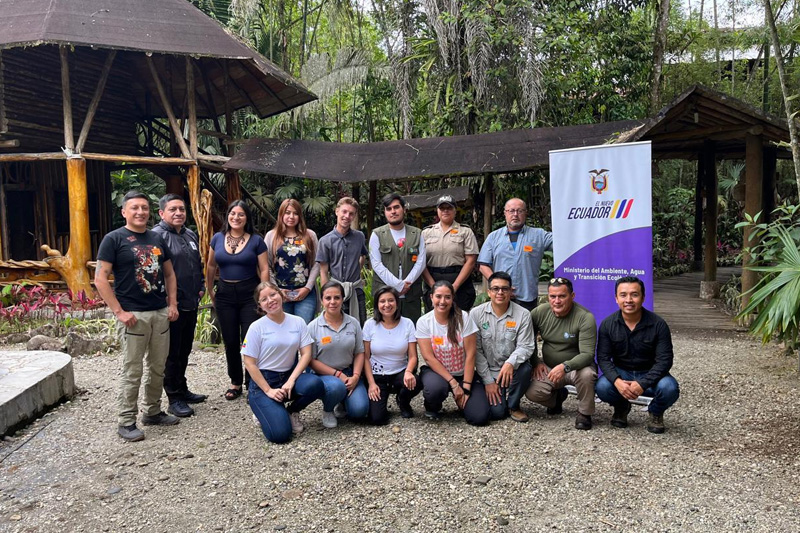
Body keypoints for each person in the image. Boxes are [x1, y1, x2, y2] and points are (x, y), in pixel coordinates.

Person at [95, 191, 180, 442]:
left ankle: (153, 411)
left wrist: (172, 304)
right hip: (133, 315)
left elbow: (169, 274)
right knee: (132, 369)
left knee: (158, 366)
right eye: (134, 208)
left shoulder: (157, 238)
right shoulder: (113, 239)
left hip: (159, 312)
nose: (140, 212)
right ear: (124, 212)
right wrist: (119, 312)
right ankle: (126, 420)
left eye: (144, 207)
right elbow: (100, 279)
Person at [242, 281, 325, 443]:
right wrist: (268, 390)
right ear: (260, 305)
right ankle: (265, 408)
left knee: (315, 384)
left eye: (273, 295)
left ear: (281, 295)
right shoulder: (256, 327)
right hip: (263, 383)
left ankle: (291, 411)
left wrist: (291, 380)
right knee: (280, 435)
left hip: (288, 376)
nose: (270, 300)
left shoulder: (297, 322)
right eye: (264, 299)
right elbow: (249, 363)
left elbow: (306, 353)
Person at [595, 276, 680, 434]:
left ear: (643, 298)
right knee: (602, 387)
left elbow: (665, 361)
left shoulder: (658, 324)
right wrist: (617, 381)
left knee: (669, 388)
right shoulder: (608, 324)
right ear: (616, 298)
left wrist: (643, 383)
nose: (629, 300)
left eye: (634, 294)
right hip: (623, 372)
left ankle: (655, 411)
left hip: (650, 373)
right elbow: (603, 359)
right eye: (623, 295)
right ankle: (621, 407)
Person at [151, 194, 208, 418]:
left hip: (190, 302)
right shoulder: (157, 237)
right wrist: (167, 300)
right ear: (161, 213)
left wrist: (201, 286)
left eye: (182, 209)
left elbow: (197, 263)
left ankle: (182, 389)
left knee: (184, 349)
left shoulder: (189, 234)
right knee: (171, 352)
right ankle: (173, 397)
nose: (178, 213)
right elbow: (155, 272)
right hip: (171, 305)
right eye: (173, 209)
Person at [206, 200, 269, 401]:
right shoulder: (217, 238)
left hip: (249, 292)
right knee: (230, 340)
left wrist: (264, 295)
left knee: (249, 340)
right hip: (224, 293)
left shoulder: (257, 241)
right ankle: (235, 381)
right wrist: (209, 290)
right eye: (233, 214)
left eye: (241, 214)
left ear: (246, 218)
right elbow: (210, 266)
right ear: (228, 216)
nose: (236, 218)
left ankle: (253, 382)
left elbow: (265, 269)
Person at [525, 277, 597, 430]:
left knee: (587, 375)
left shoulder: (585, 317)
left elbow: (588, 354)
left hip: (576, 368)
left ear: (572, 296)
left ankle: (585, 413)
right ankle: (557, 398)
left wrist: (565, 366)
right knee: (532, 393)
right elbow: (527, 341)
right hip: (549, 367)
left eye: (562, 296)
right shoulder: (539, 312)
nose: (557, 301)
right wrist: (536, 362)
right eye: (553, 296)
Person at [415, 280, 490, 425]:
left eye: (447, 297)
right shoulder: (424, 322)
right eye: (438, 296)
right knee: (435, 389)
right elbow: (429, 358)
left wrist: (466, 387)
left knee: (479, 417)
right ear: (431, 297)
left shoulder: (464, 318)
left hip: (463, 373)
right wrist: (453, 384)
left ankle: (463, 402)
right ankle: (432, 406)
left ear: (452, 298)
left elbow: (470, 354)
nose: (442, 301)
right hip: (437, 373)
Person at [470, 271, 535, 422]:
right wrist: (488, 381)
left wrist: (510, 363)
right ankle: (501, 397)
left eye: (505, 289)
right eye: (496, 289)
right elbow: (476, 351)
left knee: (525, 368)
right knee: (498, 413)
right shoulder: (476, 314)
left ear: (511, 291)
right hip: (489, 371)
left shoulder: (523, 314)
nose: (500, 292)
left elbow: (526, 346)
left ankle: (514, 405)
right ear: (489, 292)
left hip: (513, 370)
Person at [308, 281, 369, 428]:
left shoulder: (353, 323)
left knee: (360, 410)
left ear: (343, 299)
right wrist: (336, 374)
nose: (332, 302)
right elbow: (311, 361)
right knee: (336, 387)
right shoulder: (313, 326)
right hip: (324, 375)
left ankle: (341, 401)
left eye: (337, 298)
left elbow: (360, 352)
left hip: (349, 372)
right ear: (322, 301)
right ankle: (328, 409)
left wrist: (355, 376)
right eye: (328, 298)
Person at [477, 198, 553, 311]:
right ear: (505, 213)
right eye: (511, 211)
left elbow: (562, 242)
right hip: (500, 297)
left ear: (526, 213)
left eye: (520, 211)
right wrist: (499, 285)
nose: (515, 214)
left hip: (527, 298)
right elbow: (483, 265)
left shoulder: (539, 235)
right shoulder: (493, 237)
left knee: (526, 327)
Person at [362, 286, 422, 425]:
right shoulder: (370, 324)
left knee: (417, 381)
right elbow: (365, 356)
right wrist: (371, 383)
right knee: (377, 419)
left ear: (397, 303)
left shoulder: (407, 324)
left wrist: (408, 372)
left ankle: (403, 401)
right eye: (382, 301)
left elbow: (413, 356)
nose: (387, 305)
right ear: (377, 304)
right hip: (377, 375)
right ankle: (381, 399)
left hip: (400, 373)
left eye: (391, 300)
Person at [369, 193, 427, 323]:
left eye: (396, 207)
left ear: (404, 209)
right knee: (384, 330)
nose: (393, 212)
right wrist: (398, 285)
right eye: (388, 209)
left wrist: (407, 283)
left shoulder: (417, 233)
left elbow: (421, 261)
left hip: (411, 293)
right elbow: (376, 264)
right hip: (385, 295)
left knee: (412, 332)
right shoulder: (377, 234)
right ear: (385, 212)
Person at [265, 198, 320, 324]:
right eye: (287, 212)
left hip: (305, 293)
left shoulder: (309, 235)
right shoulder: (271, 236)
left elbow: (316, 263)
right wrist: (276, 290)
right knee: (283, 330)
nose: (291, 216)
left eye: (295, 213)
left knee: (303, 329)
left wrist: (307, 288)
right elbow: (266, 265)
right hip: (280, 293)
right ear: (281, 215)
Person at [422, 195, 479, 312]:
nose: (445, 211)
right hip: (433, 278)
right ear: (437, 210)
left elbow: (471, 260)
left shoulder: (465, 231)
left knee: (459, 318)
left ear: (455, 210)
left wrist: (455, 286)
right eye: (442, 208)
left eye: (449, 208)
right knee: (435, 320)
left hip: (458, 279)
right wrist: (433, 287)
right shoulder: (426, 233)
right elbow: (420, 262)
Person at [317, 197, 369, 325]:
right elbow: (323, 272)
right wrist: (327, 296)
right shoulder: (325, 240)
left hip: (356, 290)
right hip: (336, 291)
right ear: (337, 212)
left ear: (354, 216)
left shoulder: (359, 237)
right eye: (344, 212)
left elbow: (363, 255)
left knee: (360, 325)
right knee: (337, 325)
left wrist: (357, 268)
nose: (347, 216)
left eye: (351, 214)